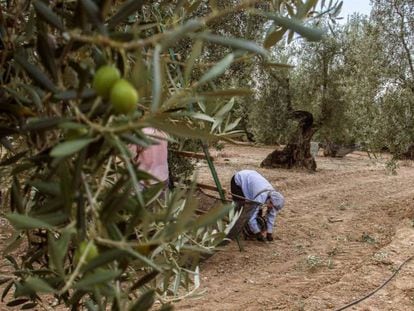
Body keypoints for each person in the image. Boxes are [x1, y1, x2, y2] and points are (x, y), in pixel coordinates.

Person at [230, 169, 284, 242]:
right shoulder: (261, 196)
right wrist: (257, 233)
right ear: (270, 200)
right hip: (239, 179)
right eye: (272, 206)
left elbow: (272, 214)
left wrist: (269, 233)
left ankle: (251, 228)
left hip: (251, 178)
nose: (271, 208)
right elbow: (251, 215)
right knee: (241, 208)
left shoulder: (273, 197)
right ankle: (235, 228)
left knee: (256, 209)